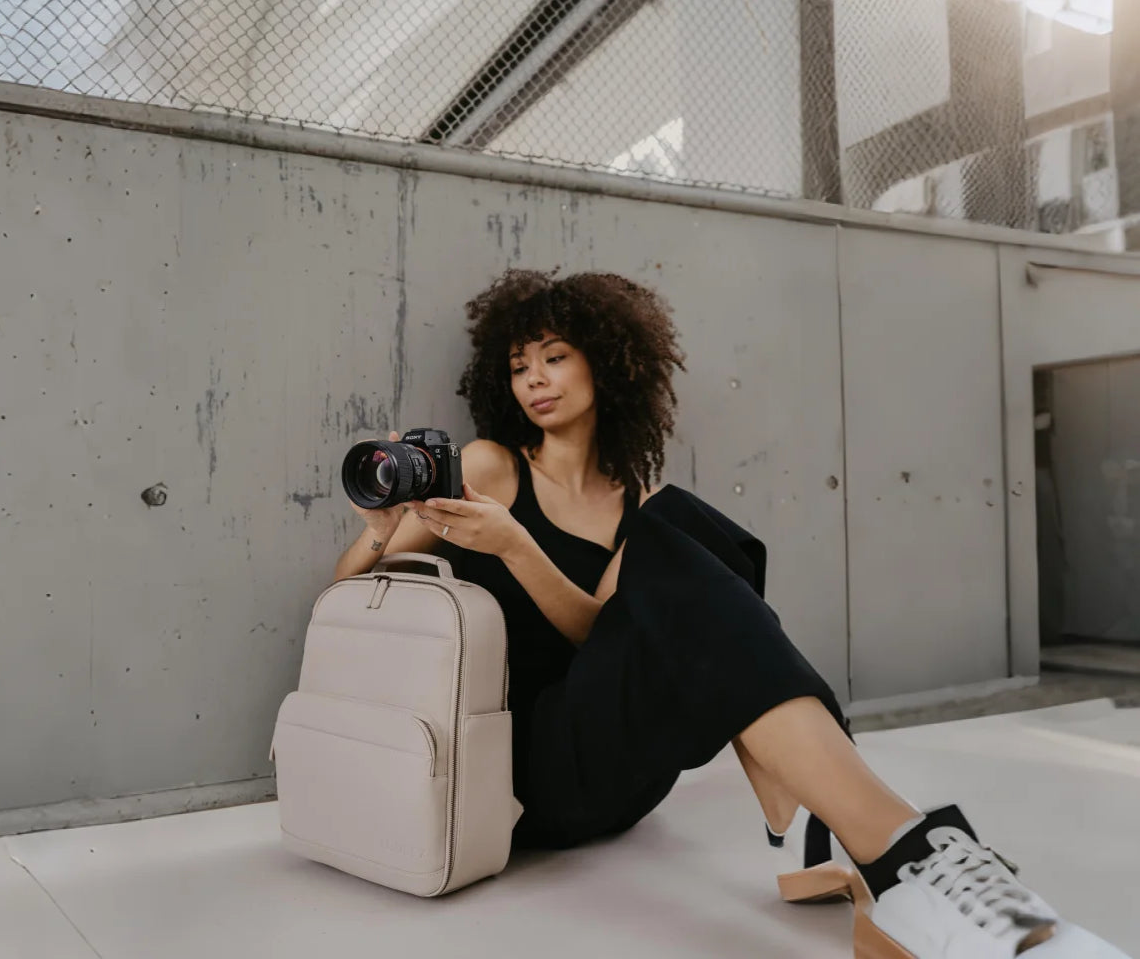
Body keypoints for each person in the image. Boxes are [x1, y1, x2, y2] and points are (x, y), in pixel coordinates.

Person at [331, 269, 1126, 959]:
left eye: (556, 357)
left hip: (624, 774)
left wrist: (522, 551)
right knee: (679, 538)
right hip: (531, 774)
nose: (535, 379)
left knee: (686, 526)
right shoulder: (490, 468)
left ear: (604, 366)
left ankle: (831, 832)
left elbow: (593, 633)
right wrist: (398, 531)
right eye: (519, 366)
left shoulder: (634, 505)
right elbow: (346, 586)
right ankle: (893, 851)